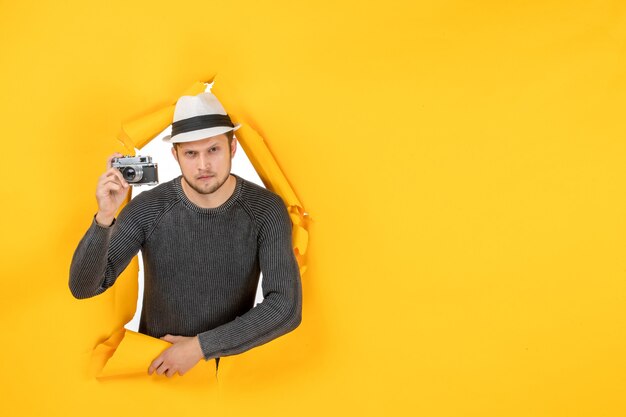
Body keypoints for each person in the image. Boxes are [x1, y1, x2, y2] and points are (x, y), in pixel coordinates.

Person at [69, 92, 302, 378]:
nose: (202, 165)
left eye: (213, 150)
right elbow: (84, 287)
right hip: (157, 370)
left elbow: (285, 307)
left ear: (233, 148)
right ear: (175, 155)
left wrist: (199, 348)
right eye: (191, 153)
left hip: (227, 376)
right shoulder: (148, 208)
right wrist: (104, 218)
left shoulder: (265, 209)